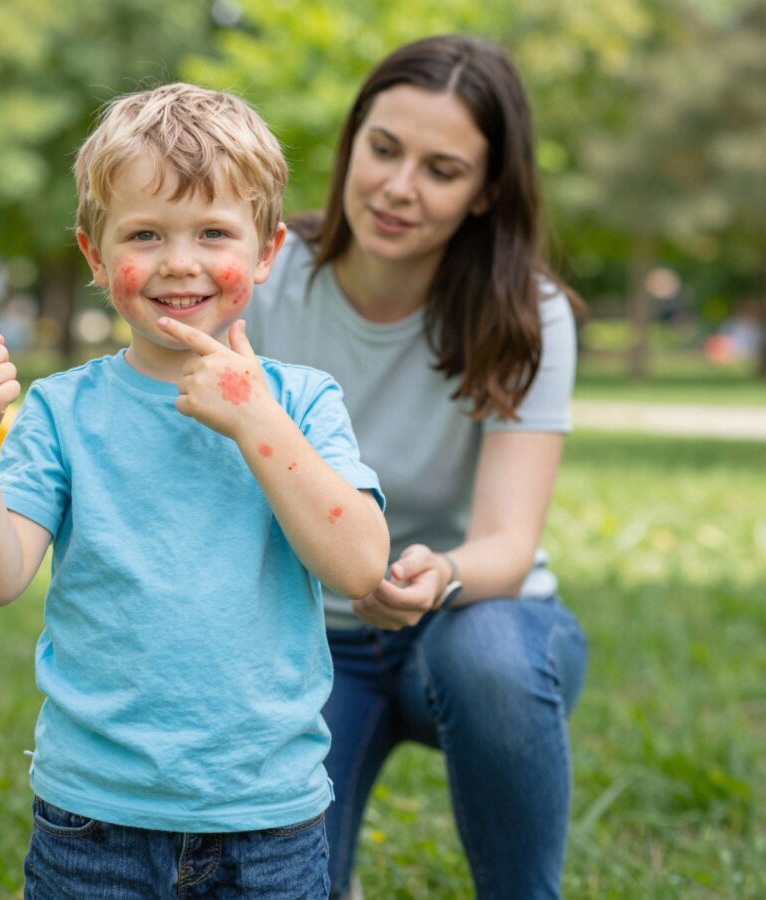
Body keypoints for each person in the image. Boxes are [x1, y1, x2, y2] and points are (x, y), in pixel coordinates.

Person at [0, 82, 390, 898]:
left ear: (267, 252)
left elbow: (359, 568)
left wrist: (257, 424)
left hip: (269, 820)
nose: (180, 262)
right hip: (94, 823)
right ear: (96, 257)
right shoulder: (64, 410)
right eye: (146, 232)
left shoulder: (302, 403)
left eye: (213, 231)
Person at [243, 35, 589, 900]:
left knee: (493, 661)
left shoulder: (528, 318)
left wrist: (436, 578)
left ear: (486, 193)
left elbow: (508, 544)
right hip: (304, 642)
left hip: (460, 623)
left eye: (442, 169)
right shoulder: (261, 277)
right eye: (384, 149)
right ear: (353, 140)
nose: (398, 189)